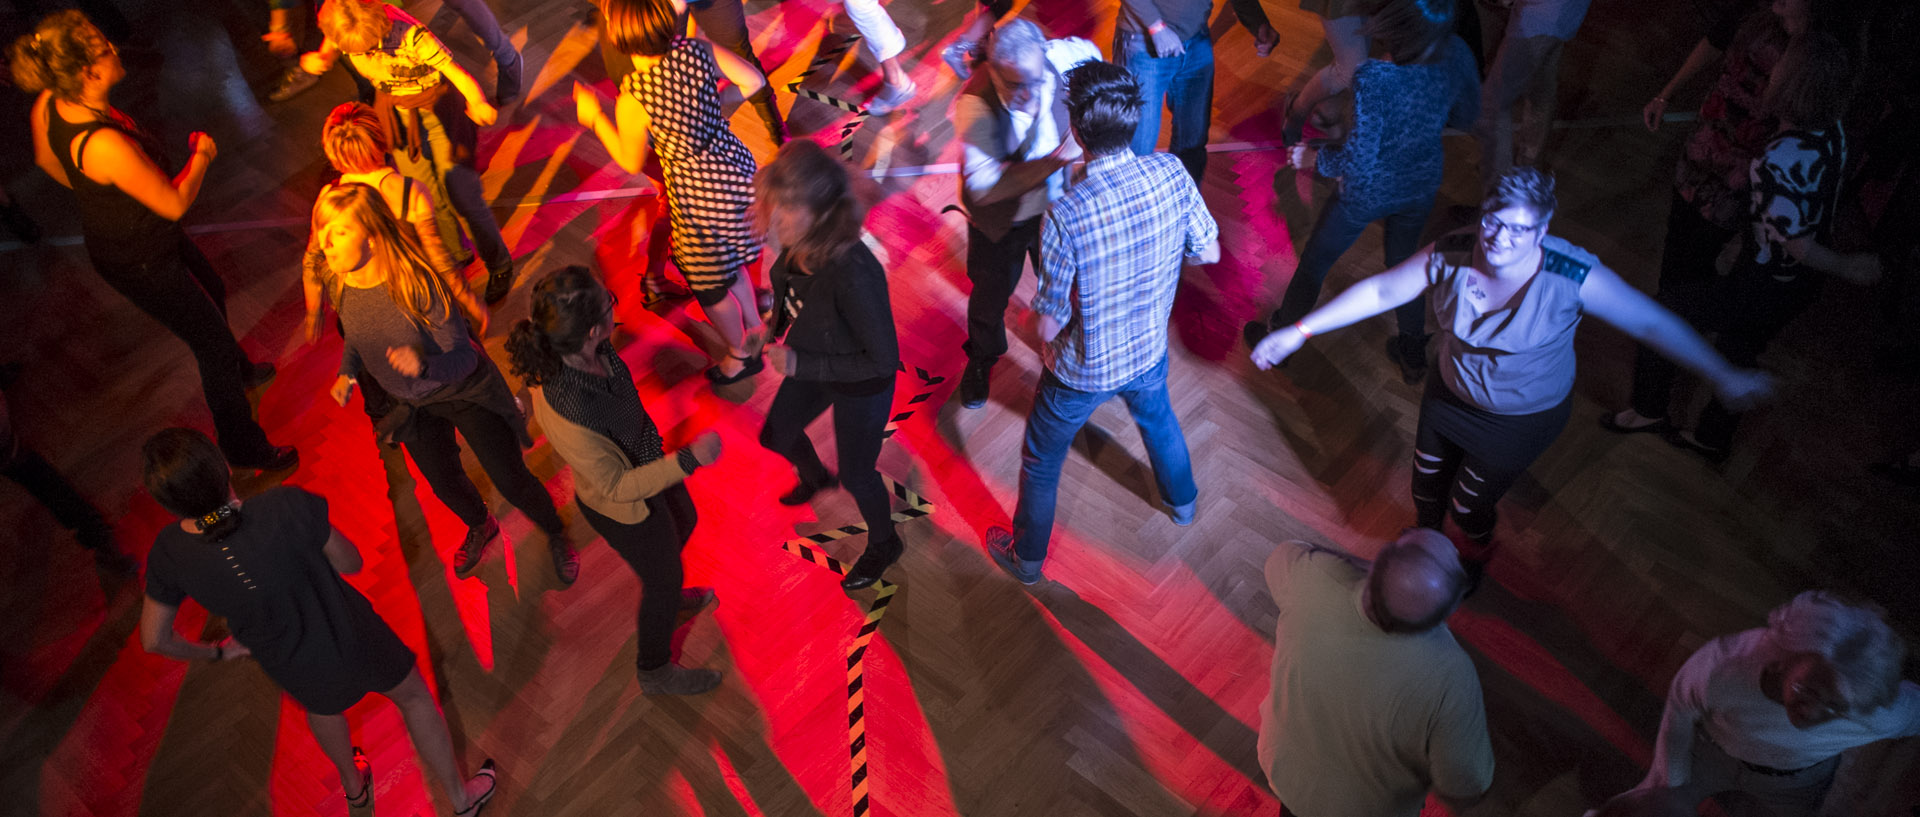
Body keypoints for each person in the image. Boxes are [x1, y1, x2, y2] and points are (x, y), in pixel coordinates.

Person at [1250, 169, 1772, 566]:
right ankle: (1424, 555)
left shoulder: (1571, 274)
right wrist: (1298, 331)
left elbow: (1654, 325)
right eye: (1493, 222)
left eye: (1519, 231)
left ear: (1542, 230)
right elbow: (1386, 288)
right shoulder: (1455, 251)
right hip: (1449, 394)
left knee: (1470, 504)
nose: (1499, 239)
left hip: (1519, 418)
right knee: (1425, 489)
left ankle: (1472, 559)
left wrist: (1723, 375)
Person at [137, 428, 499, 817]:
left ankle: (355, 791)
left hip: (287, 660)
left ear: (169, 504)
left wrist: (217, 654)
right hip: (352, 634)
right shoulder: (284, 505)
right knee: (413, 697)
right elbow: (352, 562)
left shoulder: (168, 555)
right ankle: (461, 803)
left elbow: (154, 639)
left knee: (323, 711)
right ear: (222, 466)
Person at [14, 11, 297, 473]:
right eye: (104, 47)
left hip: (137, 236)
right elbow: (172, 204)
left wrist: (103, 193)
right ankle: (244, 448)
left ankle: (243, 371)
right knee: (210, 346)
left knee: (214, 287)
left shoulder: (51, 100)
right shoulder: (103, 145)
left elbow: (48, 161)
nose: (114, 48)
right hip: (141, 257)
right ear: (88, 72)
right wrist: (201, 156)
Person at [983, 61, 1219, 585]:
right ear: (1134, 120)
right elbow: (1209, 250)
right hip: (1147, 350)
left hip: (1081, 371)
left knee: (1042, 460)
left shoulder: (1066, 214)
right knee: (1159, 421)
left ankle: (1027, 560)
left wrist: (1022, 316)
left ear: (1076, 128)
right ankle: (1183, 505)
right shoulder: (1173, 173)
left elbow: (1047, 327)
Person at [1604, 33, 1878, 462]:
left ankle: (1649, 410)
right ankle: (1712, 437)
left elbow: (1798, 243)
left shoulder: (1779, 159)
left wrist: (1848, 266)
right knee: (1742, 343)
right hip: (1793, 287)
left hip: (1766, 280)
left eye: (1784, 64)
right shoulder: (1836, 135)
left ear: (1794, 84)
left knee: (1665, 311)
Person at [312, 184, 576, 584]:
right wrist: (348, 371)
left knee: (510, 479)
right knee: (443, 484)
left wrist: (424, 366)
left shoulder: (417, 283)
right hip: (410, 403)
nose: (324, 243)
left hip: (463, 392)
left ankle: (555, 532)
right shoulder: (339, 281)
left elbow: (466, 357)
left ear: (371, 232)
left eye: (338, 232)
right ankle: (481, 524)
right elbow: (355, 332)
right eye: (322, 231)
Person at [507, 267, 727, 694]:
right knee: (662, 576)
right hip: (626, 506)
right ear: (592, 329)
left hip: (649, 459)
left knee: (685, 521)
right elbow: (616, 488)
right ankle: (654, 670)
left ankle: (666, 588)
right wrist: (689, 459)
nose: (615, 303)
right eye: (610, 301)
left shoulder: (579, 348)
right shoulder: (574, 412)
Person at [1244, 0, 1481, 386]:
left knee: (1315, 263)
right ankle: (1411, 351)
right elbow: (1468, 115)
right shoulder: (1457, 53)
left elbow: (1359, 159)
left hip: (1367, 192)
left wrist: (1314, 161)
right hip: (1420, 182)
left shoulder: (1377, 77)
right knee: (1404, 265)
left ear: (1396, 28)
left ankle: (1279, 335)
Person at [573, 0, 768, 385]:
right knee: (734, 258)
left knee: (709, 282)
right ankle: (756, 327)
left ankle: (741, 354)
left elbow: (631, 162)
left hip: (697, 194)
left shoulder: (636, 97)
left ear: (620, 36)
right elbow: (754, 81)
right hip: (739, 172)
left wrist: (596, 117)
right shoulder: (699, 51)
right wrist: (712, 108)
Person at [1629, 0, 1829, 370]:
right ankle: (1667, 339)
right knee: (1677, 251)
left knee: (1695, 263)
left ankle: (1667, 350)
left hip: (1739, 174)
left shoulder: (1818, 55)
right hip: (1703, 151)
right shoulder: (1757, 14)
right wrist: (1665, 93)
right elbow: (1716, 41)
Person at [1604, 591, 1920, 817]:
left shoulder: (1882, 714)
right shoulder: (1726, 666)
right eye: (1806, 690)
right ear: (1785, 658)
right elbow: (1679, 711)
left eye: (1834, 706)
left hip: (1796, 785)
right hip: (1711, 754)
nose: (1811, 713)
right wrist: (1667, 784)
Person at [1257, 529, 1494, 817]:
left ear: (1376, 561)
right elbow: (1465, 787)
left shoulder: (1313, 577)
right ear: (1450, 609)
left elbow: (1282, 555)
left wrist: (1384, 570)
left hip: (1288, 774)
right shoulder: (1453, 675)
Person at [754, 141, 904, 592]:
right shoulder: (797, 243)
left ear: (820, 214)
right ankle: (817, 476)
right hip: (818, 360)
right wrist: (771, 325)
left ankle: (885, 543)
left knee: (859, 475)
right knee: (776, 434)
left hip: (861, 384)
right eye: (774, 206)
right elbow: (793, 294)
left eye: (786, 209)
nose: (773, 220)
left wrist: (800, 360)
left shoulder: (854, 272)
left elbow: (882, 360)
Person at [297, 0, 518, 305]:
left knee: (462, 193)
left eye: (371, 47)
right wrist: (320, 58)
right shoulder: (341, 24)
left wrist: (478, 102)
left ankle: (499, 264)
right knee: (423, 193)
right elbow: (332, 46)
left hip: (438, 108)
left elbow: (457, 74)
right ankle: (454, 255)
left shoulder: (410, 35)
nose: (367, 56)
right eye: (358, 53)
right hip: (398, 112)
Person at [951, 19, 1095, 409]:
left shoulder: (1063, 57)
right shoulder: (974, 104)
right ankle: (983, 358)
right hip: (1001, 223)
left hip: (1055, 211)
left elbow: (1095, 60)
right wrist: (1057, 160)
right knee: (989, 297)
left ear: (1044, 54)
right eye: (1015, 84)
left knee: (1065, 287)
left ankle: (1064, 360)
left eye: (1034, 80)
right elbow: (984, 188)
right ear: (994, 69)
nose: (1028, 93)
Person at [303, 101, 489, 345]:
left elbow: (312, 260)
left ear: (333, 151)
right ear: (380, 138)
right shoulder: (410, 192)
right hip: (415, 304)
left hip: (362, 313)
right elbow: (439, 258)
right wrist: (468, 299)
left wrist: (314, 312)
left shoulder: (328, 198)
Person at [1113, 0, 1277, 181]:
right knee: (1137, 150)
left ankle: (1184, 205)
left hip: (1196, 39)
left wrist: (1258, 22)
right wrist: (1155, 26)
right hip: (1143, 42)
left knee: (1192, 144)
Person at [1, 379, 137, 576]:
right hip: (9, 452)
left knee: (50, 488)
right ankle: (97, 537)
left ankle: (97, 536)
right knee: (51, 488)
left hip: (9, 450)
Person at [1472, 0, 1595, 185]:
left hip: (1538, 19)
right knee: (1540, 93)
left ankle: (1500, 188)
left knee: (1494, 102)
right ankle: (1527, 173)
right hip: (1560, 15)